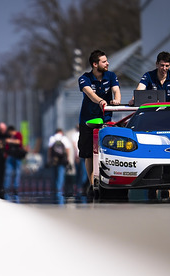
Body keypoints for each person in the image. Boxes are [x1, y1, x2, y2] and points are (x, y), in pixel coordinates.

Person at [77, 49, 121, 196]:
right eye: (104, 61)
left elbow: (116, 90)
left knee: (109, 151)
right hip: (87, 121)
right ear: (95, 64)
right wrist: (101, 101)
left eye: (107, 60)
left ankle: (110, 182)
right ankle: (92, 184)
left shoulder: (111, 75)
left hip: (106, 121)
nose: (108, 63)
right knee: (88, 154)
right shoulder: (84, 78)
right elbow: (90, 94)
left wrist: (117, 100)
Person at [47, 128, 73, 199]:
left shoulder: (52, 138)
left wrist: (49, 158)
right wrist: (68, 158)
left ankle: (54, 188)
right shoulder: (64, 138)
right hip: (62, 159)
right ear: (61, 132)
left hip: (54, 159)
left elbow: (49, 149)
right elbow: (68, 149)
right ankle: (59, 188)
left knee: (54, 174)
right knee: (60, 174)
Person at [4, 125, 25, 194]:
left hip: (17, 156)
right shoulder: (8, 136)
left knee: (17, 172)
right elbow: (6, 146)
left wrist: (10, 141)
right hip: (10, 156)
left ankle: (16, 188)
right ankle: (7, 188)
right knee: (8, 173)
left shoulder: (18, 134)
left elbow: (19, 142)